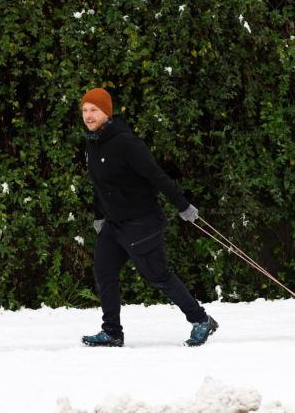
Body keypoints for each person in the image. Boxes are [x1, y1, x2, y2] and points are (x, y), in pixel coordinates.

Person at [78, 87, 218, 347]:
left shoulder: (126, 143)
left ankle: (201, 320)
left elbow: (156, 175)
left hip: (141, 221)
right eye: (85, 110)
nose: (88, 115)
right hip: (115, 222)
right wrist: (99, 216)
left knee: (158, 275)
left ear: (106, 113)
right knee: (103, 269)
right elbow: (99, 183)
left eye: (94, 110)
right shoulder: (92, 142)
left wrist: (182, 205)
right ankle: (112, 332)